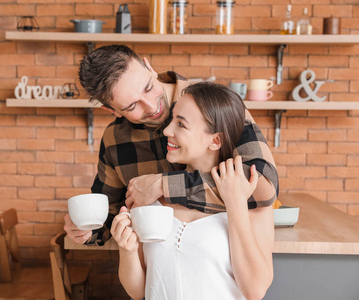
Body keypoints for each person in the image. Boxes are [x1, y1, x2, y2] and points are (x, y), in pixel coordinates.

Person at [64, 44, 278, 245]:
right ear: (111, 110)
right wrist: (87, 229)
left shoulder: (213, 104)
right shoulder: (114, 139)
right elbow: (109, 215)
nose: (151, 107)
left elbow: (262, 185)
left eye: (148, 88)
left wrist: (162, 185)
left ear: (149, 67)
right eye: (131, 106)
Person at [111, 82, 274, 300]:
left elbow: (255, 290)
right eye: (172, 121)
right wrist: (127, 250)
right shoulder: (150, 196)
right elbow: (138, 290)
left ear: (215, 140)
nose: (167, 131)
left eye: (181, 125)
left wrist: (235, 203)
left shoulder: (250, 200)